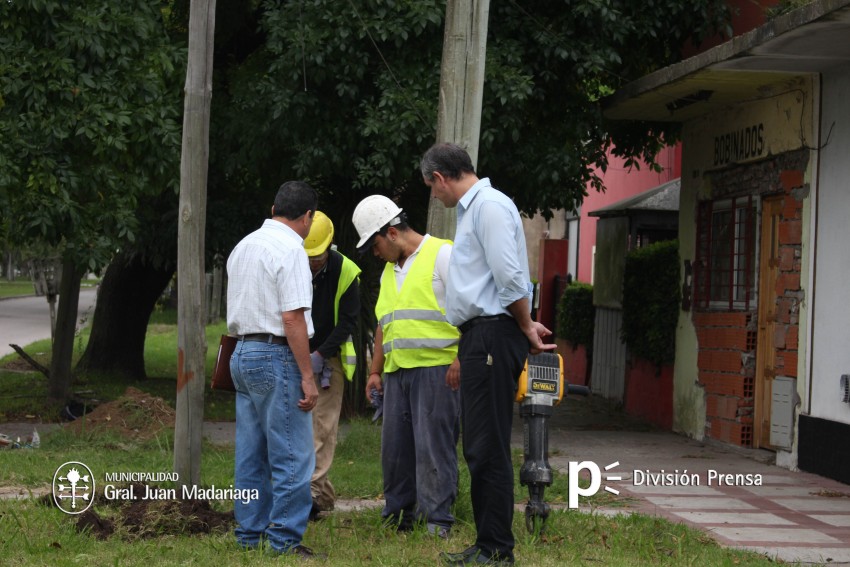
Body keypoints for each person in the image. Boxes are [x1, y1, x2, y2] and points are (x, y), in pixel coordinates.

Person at [421, 143, 556, 566]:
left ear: (441, 177)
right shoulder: (474, 210)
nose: (433, 195)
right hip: (482, 336)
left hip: (495, 334)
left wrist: (523, 325)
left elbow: (511, 277)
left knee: (488, 446)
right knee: (479, 446)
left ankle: (497, 549)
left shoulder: (490, 206)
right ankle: (487, 543)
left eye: (431, 187)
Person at [352, 194, 461, 539]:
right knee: (396, 451)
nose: (375, 252)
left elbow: (472, 310)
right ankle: (398, 517)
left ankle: (436, 521)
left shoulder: (443, 254)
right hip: (397, 373)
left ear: (392, 232)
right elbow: (384, 323)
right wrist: (374, 370)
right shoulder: (389, 272)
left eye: (375, 244)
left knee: (432, 448)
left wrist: (461, 359)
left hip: (437, 369)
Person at [226, 181, 322, 559]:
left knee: (251, 454)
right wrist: (308, 376)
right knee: (293, 454)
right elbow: (292, 317)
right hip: (275, 354)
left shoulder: (244, 246)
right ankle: (283, 541)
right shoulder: (291, 250)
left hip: (241, 352)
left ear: (273, 209)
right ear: (308, 217)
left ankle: (249, 534)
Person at [303, 211, 361, 519]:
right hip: (297, 355)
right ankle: (318, 494)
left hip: (329, 360)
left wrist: (321, 355)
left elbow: (348, 321)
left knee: (322, 427)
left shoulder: (347, 271)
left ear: (329, 246)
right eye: (308, 256)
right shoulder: (293, 263)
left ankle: (312, 496)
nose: (313, 262)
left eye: (318, 256)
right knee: (301, 429)